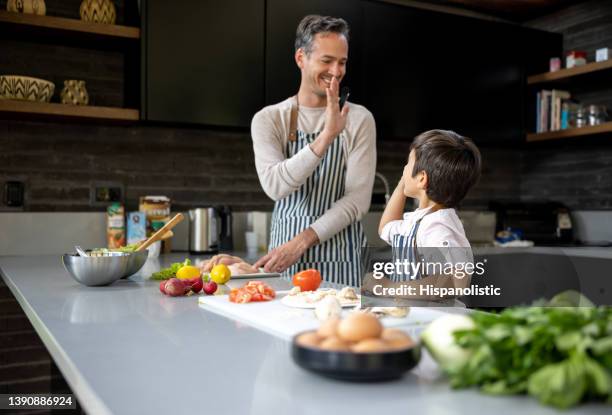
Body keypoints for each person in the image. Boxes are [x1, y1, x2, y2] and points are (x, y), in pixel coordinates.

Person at [251, 15, 376, 286]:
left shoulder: (359, 119)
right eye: (326, 60)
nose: (336, 71)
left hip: (344, 260)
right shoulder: (270, 119)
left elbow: (357, 201)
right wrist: (327, 136)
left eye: (342, 62)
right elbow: (275, 186)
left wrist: (302, 240)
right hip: (285, 261)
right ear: (300, 58)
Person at [366, 129, 481, 300]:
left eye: (408, 163)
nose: (404, 169)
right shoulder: (419, 220)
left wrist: (389, 287)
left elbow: (455, 282)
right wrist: (402, 185)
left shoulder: (437, 226)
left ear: (421, 179)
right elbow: (385, 228)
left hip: (435, 320)